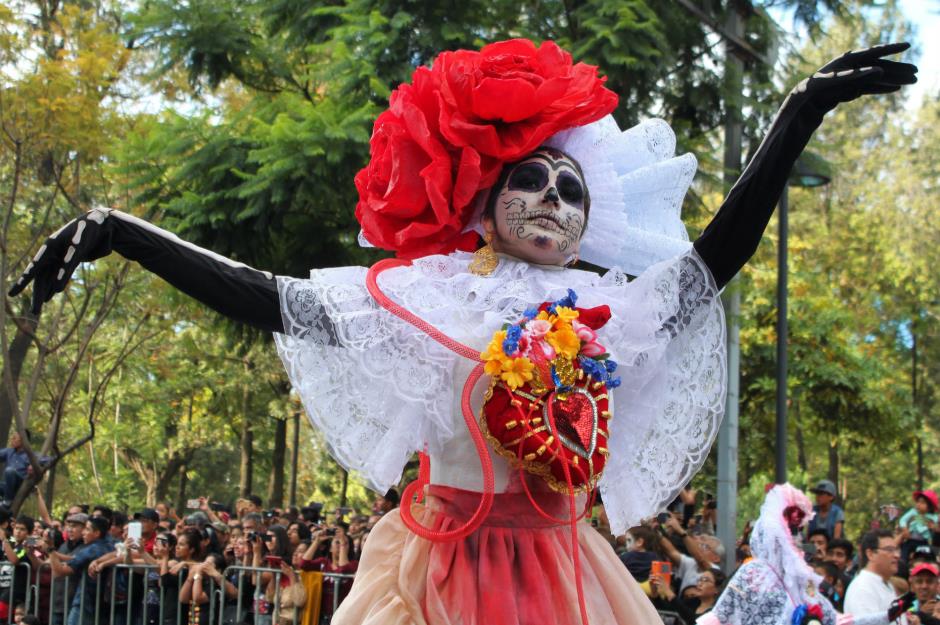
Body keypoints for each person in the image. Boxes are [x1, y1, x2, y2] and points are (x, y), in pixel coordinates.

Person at [11, 39, 918, 625]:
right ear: (482, 200)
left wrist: (797, 113)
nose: (554, 202)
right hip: (434, 571)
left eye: (573, 191)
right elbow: (268, 295)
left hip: (568, 573)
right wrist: (122, 232)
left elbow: (713, 260)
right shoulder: (426, 295)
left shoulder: (607, 309)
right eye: (532, 179)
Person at [702, 484, 909, 625]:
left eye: (796, 531)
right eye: (789, 531)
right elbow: (720, 617)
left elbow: (836, 621)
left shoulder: (803, 580)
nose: (793, 540)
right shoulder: (752, 571)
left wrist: (887, 615)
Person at [844, 529, 913, 621]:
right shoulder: (863, 587)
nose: (897, 555)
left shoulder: (886, 584)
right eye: (889, 550)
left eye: (896, 549)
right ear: (871, 554)